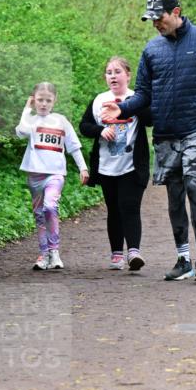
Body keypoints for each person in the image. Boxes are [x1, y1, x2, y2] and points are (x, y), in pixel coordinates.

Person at [102, 0, 196, 282]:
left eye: (159, 18)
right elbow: (144, 95)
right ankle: (183, 259)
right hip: (165, 134)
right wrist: (122, 108)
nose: (155, 24)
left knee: (193, 180)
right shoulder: (152, 50)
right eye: (151, 19)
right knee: (174, 195)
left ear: (175, 11)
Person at [79, 56, 150, 271]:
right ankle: (117, 254)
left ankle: (134, 253)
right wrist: (100, 130)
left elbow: (151, 119)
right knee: (114, 209)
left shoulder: (137, 98)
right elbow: (84, 126)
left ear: (128, 75)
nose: (113, 76)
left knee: (129, 206)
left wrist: (133, 106)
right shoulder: (99, 100)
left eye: (117, 71)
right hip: (106, 165)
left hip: (132, 164)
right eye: (109, 72)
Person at [16, 82, 89, 270]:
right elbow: (21, 132)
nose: (43, 104)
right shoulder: (31, 120)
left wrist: (83, 168)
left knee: (50, 206)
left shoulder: (61, 121)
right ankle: (44, 254)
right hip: (35, 176)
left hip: (55, 175)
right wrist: (26, 109)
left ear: (54, 101)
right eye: (39, 100)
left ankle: (54, 251)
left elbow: (74, 146)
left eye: (48, 100)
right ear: (34, 100)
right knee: (40, 215)